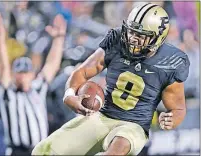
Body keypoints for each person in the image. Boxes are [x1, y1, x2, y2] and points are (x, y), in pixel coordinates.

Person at [32, 3, 190, 155]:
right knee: (43, 150)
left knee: (114, 152)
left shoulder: (170, 61)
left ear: (158, 38)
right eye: (132, 32)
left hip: (134, 126)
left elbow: (178, 108)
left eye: (141, 36)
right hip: (102, 117)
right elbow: (82, 72)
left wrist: (171, 119)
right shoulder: (117, 40)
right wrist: (70, 94)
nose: (133, 38)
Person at [0, 12, 67, 155]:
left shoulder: (37, 88)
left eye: (25, 73)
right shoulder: (8, 93)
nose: (22, 76)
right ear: (14, 74)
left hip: (40, 150)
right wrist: (2, 39)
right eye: (19, 73)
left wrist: (59, 39)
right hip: (17, 151)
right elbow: (3, 64)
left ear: (32, 74)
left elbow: (52, 65)